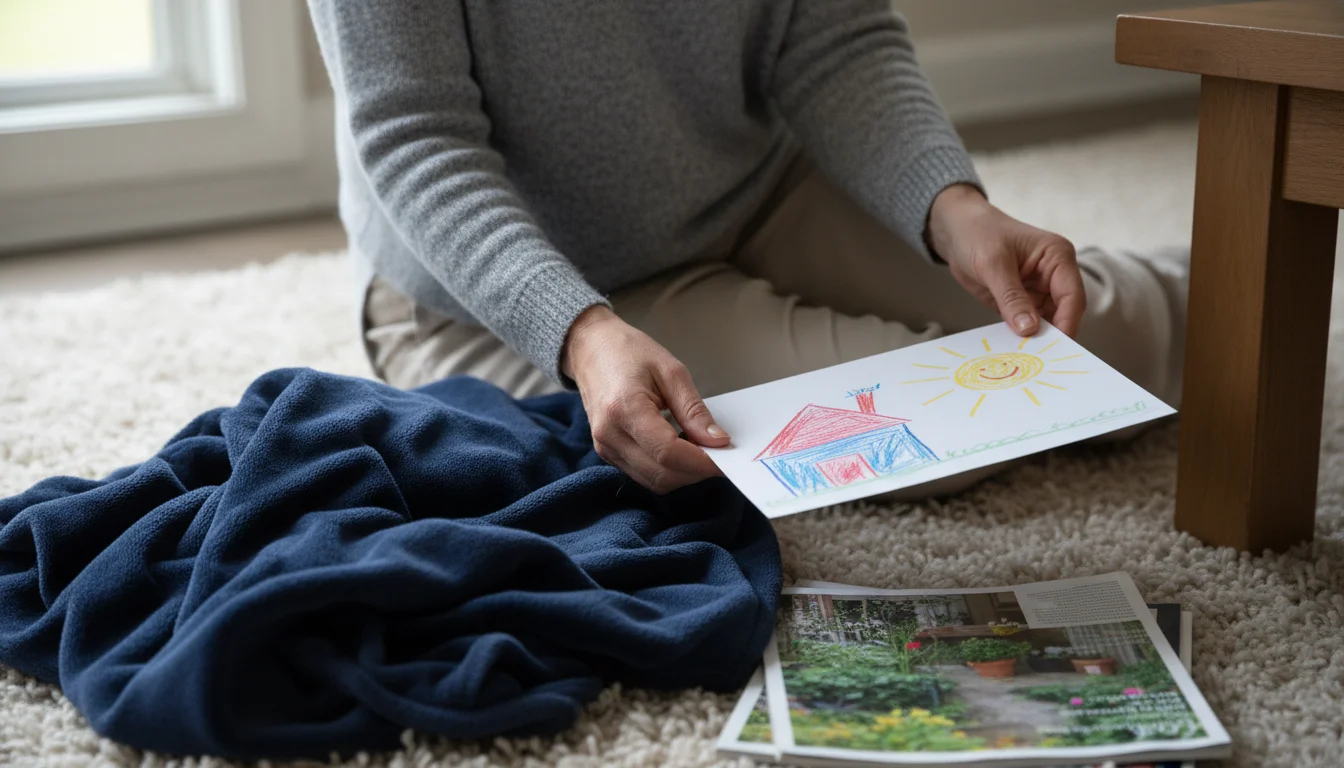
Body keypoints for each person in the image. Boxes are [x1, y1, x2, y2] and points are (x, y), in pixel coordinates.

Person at [309, 1, 1188, 496]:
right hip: (519, 291)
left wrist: (948, 205)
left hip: (754, 184)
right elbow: (416, 136)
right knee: (934, 434)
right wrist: (577, 330)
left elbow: (831, 35)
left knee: (1102, 336)